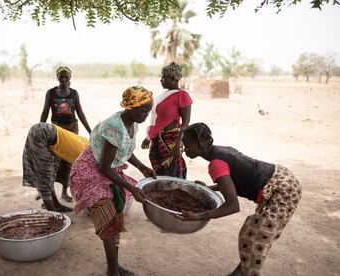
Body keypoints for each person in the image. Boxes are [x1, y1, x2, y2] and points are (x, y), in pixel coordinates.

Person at [177, 123, 302, 276]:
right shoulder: (221, 151)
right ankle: (241, 271)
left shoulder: (216, 164)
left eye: (188, 146)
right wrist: (211, 188)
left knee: (255, 238)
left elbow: (232, 206)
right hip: (279, 176)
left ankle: (247, 273)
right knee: (252, 234)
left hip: (282, 189)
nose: (184, 150)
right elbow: (233, 180)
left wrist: (199, 216)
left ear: (203, 143)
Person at [70, 86, 156, 276]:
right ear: (130, 107)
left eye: (148, 111)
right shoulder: (114, 127)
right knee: (108, 218)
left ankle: (113, 268)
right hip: (90, 171)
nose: (145, 115)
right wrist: (130, 188)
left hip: (108, 170)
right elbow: (103, 167)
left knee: (116, 217)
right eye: (143, 110)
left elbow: (126, 149)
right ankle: (113, 271)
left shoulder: (133, 123)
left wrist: (142, 167)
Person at [40, 66, 91, 202]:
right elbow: (45, 111)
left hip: (72, 129)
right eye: (61, 77)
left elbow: (80, 113)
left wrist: (90, 131)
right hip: (57, 130)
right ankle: (49, 194)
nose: (63, 79)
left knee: (70, 161)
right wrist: (41, 127)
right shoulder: (51, 93)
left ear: (69, 78)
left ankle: (64, 192)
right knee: (54, 161)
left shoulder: (74, 93)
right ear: (57, 77)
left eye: (66, 77)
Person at [22, 122, 89, 212]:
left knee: (49, 175)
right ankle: (52, 214)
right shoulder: (88, 158)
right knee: (44, 176)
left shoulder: (88, 144)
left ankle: (56, 205)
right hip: (43, 134)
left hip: (45, 130)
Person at [141, 62, 192, 179]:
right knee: (161, 173)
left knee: (173, 170)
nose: (161, 80)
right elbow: (156, 119)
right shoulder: (163, 96)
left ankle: (176, 194)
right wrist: (149, 137)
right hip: (158, 139)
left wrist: (178, 143)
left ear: (173, 79)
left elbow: (185, 123)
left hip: (172, 140)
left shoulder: (183, 96)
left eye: (164, 77)